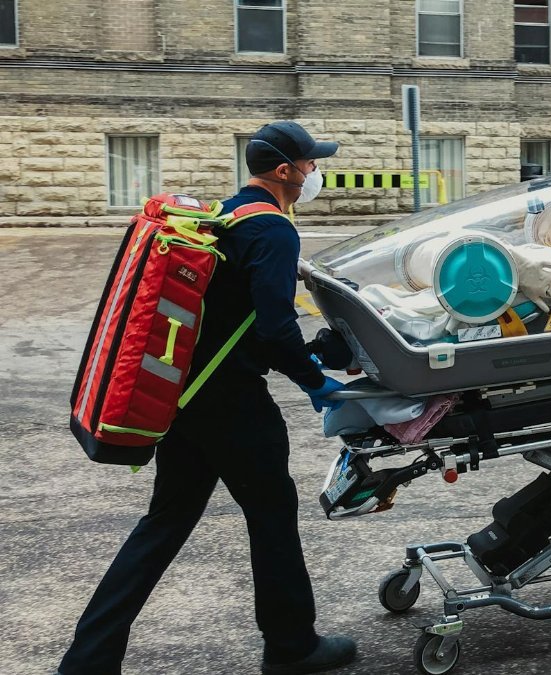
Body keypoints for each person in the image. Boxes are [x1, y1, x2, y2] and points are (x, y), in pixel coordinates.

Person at [59, 121, 357, 675]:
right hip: (234, 405)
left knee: (165, 523)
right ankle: (292, 646)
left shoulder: (226, 215)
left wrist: (310, 357)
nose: (317, 171)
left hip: (185, 397)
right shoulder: (273, 229)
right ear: (284, 171)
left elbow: (234, 318)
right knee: (271, 514)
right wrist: (317, 384)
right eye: (311, 163)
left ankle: (87, 660)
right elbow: (273, 328)